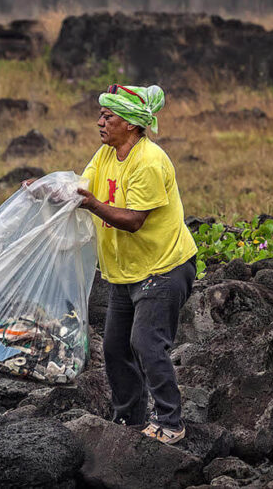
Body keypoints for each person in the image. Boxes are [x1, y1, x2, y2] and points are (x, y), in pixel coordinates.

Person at [76, 83, 198, 445]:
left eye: (108, 116)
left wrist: (92, 205)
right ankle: (129, 421)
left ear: (130, 123)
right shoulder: (105, 156)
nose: (100, 121)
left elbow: (132, 220)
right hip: (126, 272)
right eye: (101, 114)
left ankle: (170, 423)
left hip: (163, 268)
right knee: (115, 347)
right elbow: (82, 186)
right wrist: (48, 190)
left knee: (146, 343)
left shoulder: (148, 161)